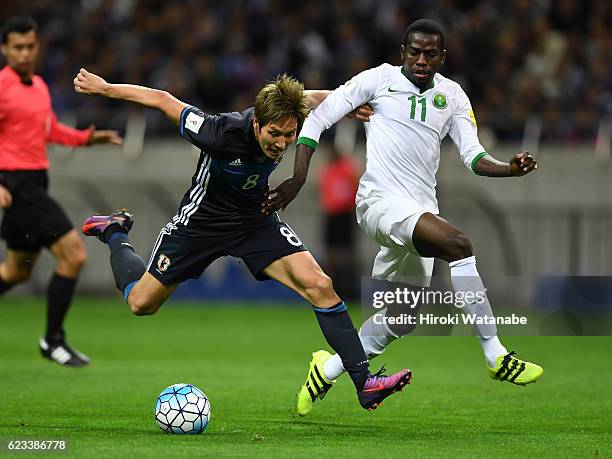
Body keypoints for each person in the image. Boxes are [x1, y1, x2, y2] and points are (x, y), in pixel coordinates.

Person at [73, 68, 412, 410]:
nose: (281, 144)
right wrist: (106, 89)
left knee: (319, 284)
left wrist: (346, 104)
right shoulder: (219, 131)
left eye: (290, 134)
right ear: (255, 125)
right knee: (141, 304)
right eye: (274, 134)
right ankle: (115, 230)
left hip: (254, 220)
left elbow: (315, 97)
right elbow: (163, 99)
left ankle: (364, 383)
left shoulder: (290, 110)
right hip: (201, 223)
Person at [258, 18, 545, 416]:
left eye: (430, 53)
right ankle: (495, 354)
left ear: (442, 57)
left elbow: (474, 157)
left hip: (420, 211)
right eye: (415, 52)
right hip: (378, 203)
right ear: (403, 53)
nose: (422, 60)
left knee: (402, 316)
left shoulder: (454, 96)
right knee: (459, 245)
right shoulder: (377, 80)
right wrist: (299, 176)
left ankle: (326, 369)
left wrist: (509, 169)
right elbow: (319, 117)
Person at [0, 16, 122, 367]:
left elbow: (49, 129)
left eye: (30, 46)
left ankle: (52, 340)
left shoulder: (38, 85)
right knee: (74, 256)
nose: (25, 54)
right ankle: (53, 341)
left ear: (37, 47)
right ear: (5, 49)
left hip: (36, 182)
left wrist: (86, 139)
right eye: (17, 47)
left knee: (15, 272)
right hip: (18, 186)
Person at [317, 148, 360, 300]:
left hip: (344, 214)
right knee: (331, 252)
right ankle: (332, 288)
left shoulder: (347, 168)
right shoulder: (328, 170)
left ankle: (350, 288)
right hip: (332, 214)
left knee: (347, 252)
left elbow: (355, 186)